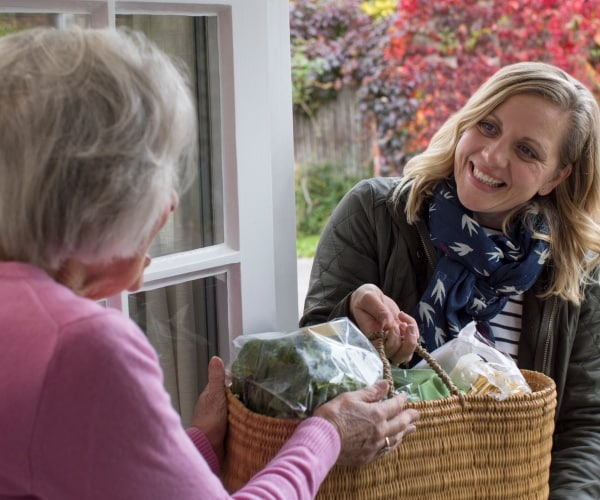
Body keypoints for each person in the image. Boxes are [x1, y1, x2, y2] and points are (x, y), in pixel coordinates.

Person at [0, 27, 420, 500]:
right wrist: (327, 433)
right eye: (161, 168)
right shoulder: (82, 346)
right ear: (105, 193)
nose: (172, 200)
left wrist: (195, 447)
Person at [300, 61, 600, 499]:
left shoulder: (577, 270)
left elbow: (585, 423)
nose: (493, 156)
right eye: (488, 126)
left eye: (527, 151)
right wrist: (353, 325)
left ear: (556, 176)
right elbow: (304, 372)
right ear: (465, 124)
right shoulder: (375, 214)